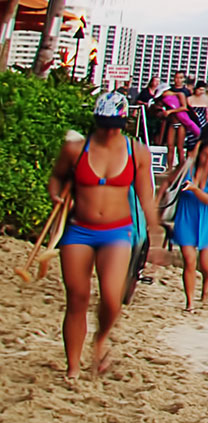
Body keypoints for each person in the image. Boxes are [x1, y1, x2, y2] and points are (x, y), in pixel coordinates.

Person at [49, 94, 165, 379]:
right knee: (77, 297)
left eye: (115, 124)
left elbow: (145, 197)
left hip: (117, 232)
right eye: (104, 124)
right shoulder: (75, 149)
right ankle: (73, 367)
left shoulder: (137, 152)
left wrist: (156, 235)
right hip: (79, 230)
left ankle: (99, 340)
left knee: (112, 300)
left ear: (124, 123)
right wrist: (56, 196)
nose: (109, 130)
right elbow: (57, 178)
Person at [170, 139, 208, 311]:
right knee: (189, 260)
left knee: (206, 265)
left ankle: (207, 282)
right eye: (205, 154)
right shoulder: (188, 168)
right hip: (186, 216)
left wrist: (194, 189)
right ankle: (190, 302)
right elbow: (169, 183)